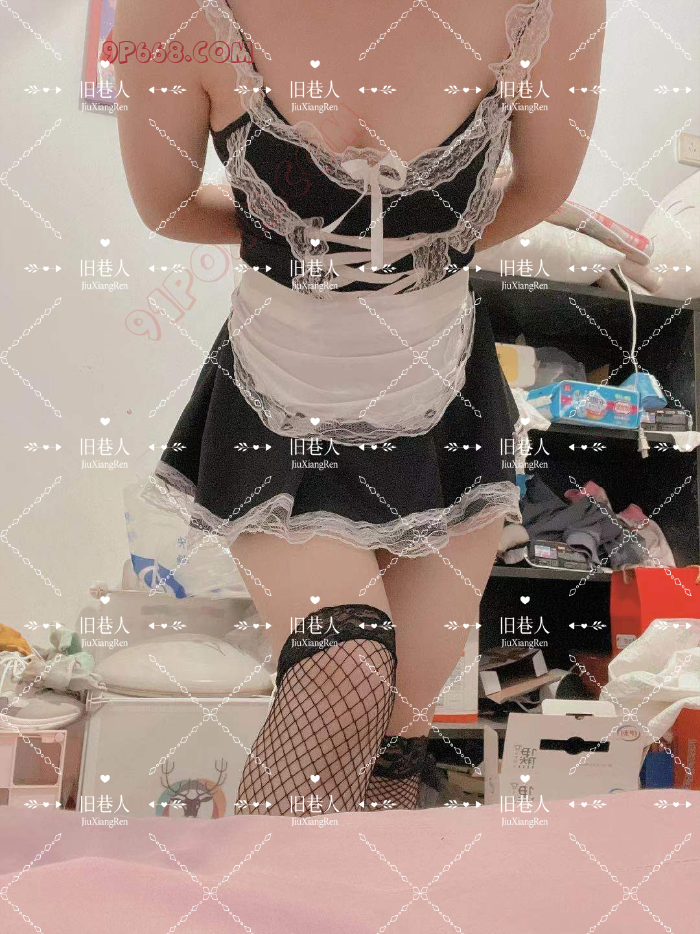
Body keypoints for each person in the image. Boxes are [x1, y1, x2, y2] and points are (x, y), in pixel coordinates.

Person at [114, 0, 605, 815]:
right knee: (343, 669)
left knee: (396, 741)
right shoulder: (174, 9)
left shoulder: (554, 7)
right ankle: (255, 887)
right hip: (279, 399)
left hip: (444, 398)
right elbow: (166, 203)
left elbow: (542, 184)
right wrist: (300, 248)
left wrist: (417, 253)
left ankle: (359, 886)